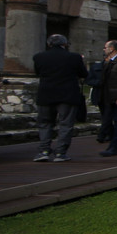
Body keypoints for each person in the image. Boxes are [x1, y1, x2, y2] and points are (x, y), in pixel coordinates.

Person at [32, 34, 88, 163]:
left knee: (45, 123)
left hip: (46, 93)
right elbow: (84, 74)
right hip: (67, 94)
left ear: (49, 44)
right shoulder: (74, 57)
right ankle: (60, 153)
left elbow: (38, 73)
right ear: (65, 44)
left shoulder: (39, 57)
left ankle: (44, 151)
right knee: (66, 124)